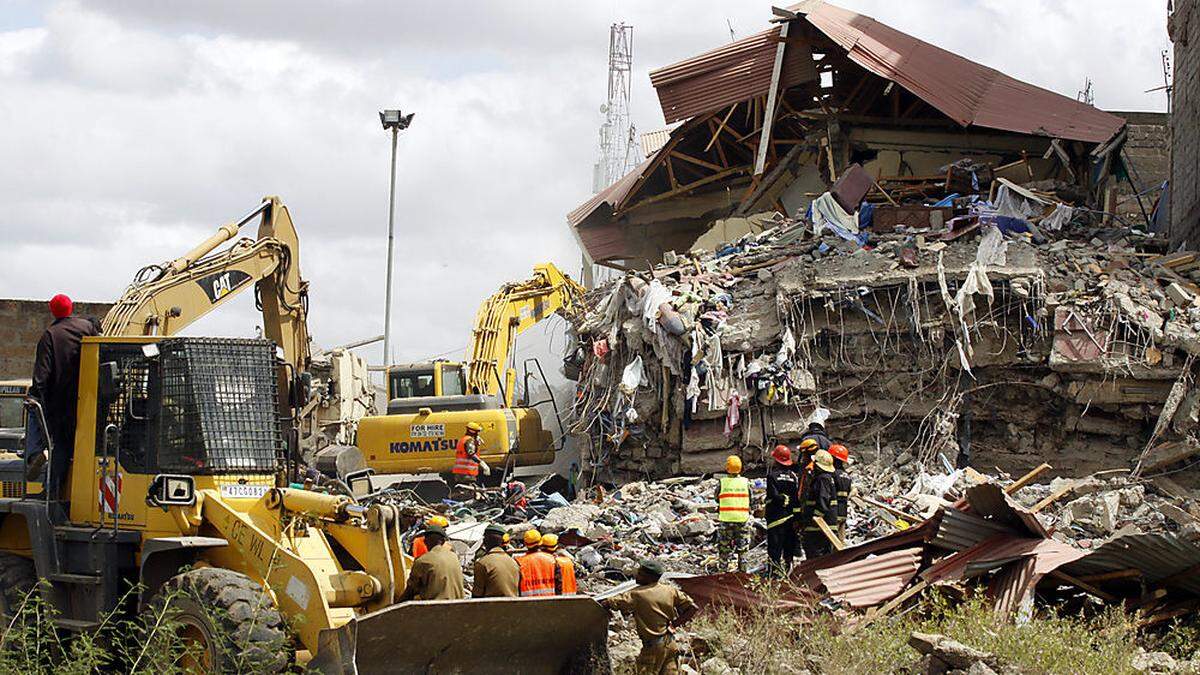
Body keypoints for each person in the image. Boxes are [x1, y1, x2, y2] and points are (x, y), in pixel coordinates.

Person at [27, 294, 98, 496]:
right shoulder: (87, 328)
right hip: (87, 400)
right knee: (67, 446)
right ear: (71, 307)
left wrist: (36, 399)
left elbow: (40, 377)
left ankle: (34, 456)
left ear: (52, 311)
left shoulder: (50, 335)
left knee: (56, 440)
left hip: (60, 403)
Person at [601, 560, 697, 675]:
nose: (636, 575)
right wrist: (675, 624)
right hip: (670, 644)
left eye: (640, 573)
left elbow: (609, 602)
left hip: (652, 648)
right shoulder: (670, 590)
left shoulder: (637, 594)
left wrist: (605, 607)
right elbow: (693, 608)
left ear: (649, 577)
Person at [398, 524, 465, 601]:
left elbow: (410, 591)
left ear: (425, 541)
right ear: (443, 541)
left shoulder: (422, 561)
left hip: (435, 608)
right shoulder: (454, 557)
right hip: (458, 604)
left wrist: (395, 605)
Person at [765, 445, 800, 576]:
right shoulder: (793, 477)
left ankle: (773, 574)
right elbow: (796, 499)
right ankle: (789, 573)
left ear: (776, 460)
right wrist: (797, 518)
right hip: (790, 519)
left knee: (774, 549)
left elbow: (773, 496)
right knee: (788, 547)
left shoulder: (772, 476)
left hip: (775, 519)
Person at [714, 455, 751, 573]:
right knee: (743, 549)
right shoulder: (746, 482)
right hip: (742, 520)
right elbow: (751, 499)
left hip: (726, 520)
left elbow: (716, 498)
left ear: (727, 468)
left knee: (724, 548)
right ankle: (743, 574)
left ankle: (722, 573)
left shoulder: (722, 483)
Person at [800, 449, 839, 560]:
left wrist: (813, 518)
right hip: (825, 526)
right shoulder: (828, 478)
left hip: (818, 528)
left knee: (816, 559)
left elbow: (823, 501)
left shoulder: (822, 479)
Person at [472, 524, 520, 598]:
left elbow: (477, 594)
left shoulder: (483, 563)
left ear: (486, 541)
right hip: (513, 607)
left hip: (492, 608)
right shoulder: (513, 562)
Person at [516, 529, 558, 597]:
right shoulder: (552, 559)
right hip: (550, 602)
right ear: (540, 542)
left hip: (527, 604)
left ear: (526, 544)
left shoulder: (519, 561)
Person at [451, 421, 489, 487]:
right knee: (470, 493)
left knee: (464, 493)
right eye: (477, 431)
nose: (478, 433)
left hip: (460, 473)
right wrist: (482, 464)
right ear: (473, 431)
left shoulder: (463, 440)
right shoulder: (469, 440)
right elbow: (471, 453)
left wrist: (476, 443)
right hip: (467, 473)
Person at [829, 444, 853, 541]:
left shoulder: (832, 474)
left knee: (832, 540)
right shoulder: (846, 475)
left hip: (834, 512)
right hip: (843, 512)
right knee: (841, 539)